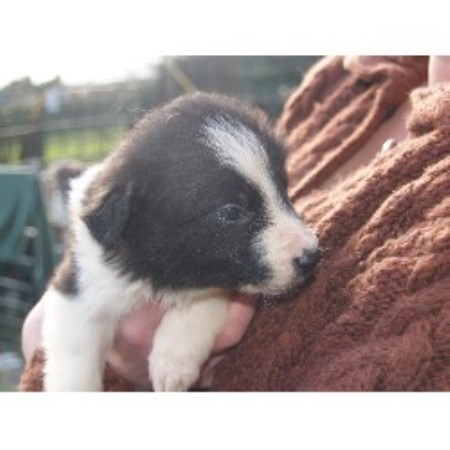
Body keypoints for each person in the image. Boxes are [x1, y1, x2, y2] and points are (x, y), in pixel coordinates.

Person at [20, 56, 450, 391]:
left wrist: (191, 324)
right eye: (233, 212)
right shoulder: (339, 80)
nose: (306, 241)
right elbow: (63, 320)